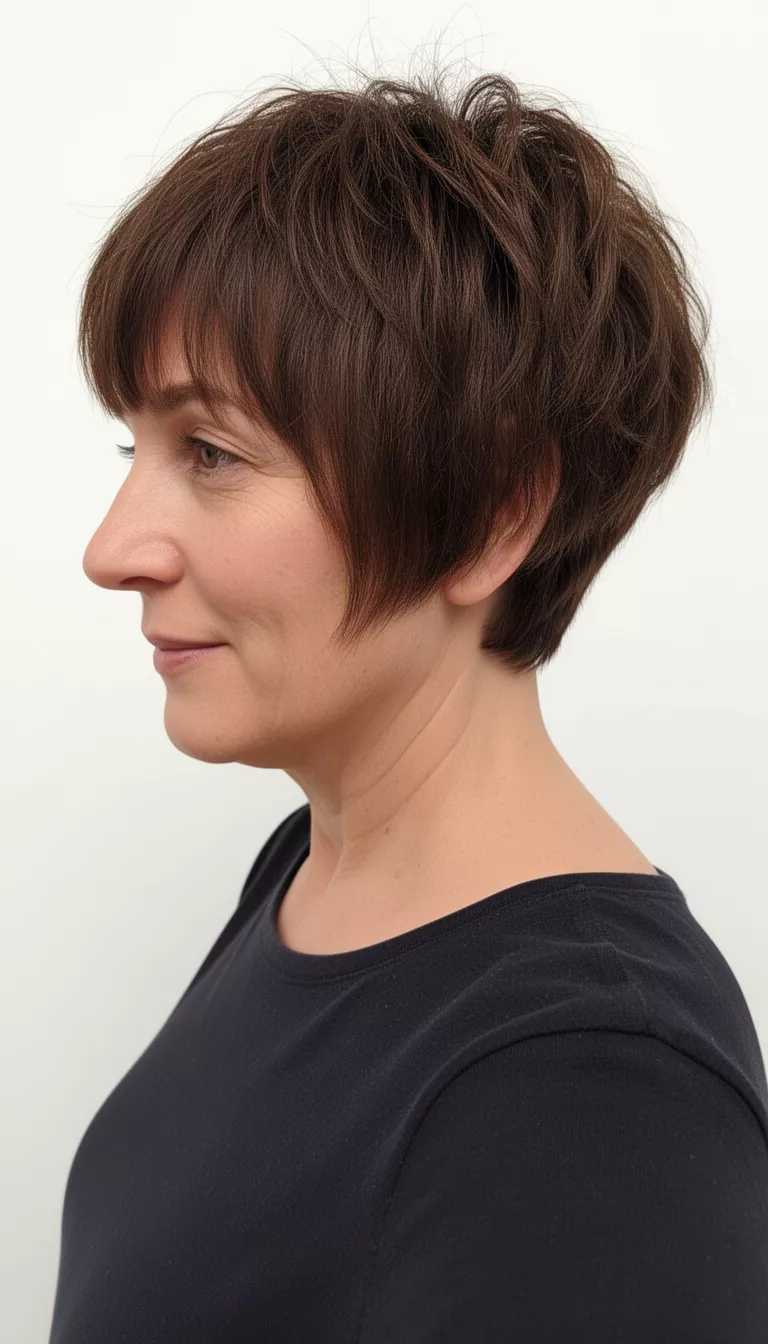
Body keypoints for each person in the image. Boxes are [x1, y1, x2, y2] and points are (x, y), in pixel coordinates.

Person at [48, 64, 768, 1342]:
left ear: (494, 510)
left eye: (209, 453)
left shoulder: (592, 1098)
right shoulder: (311, 874)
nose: (113, 547)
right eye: (135, 450)